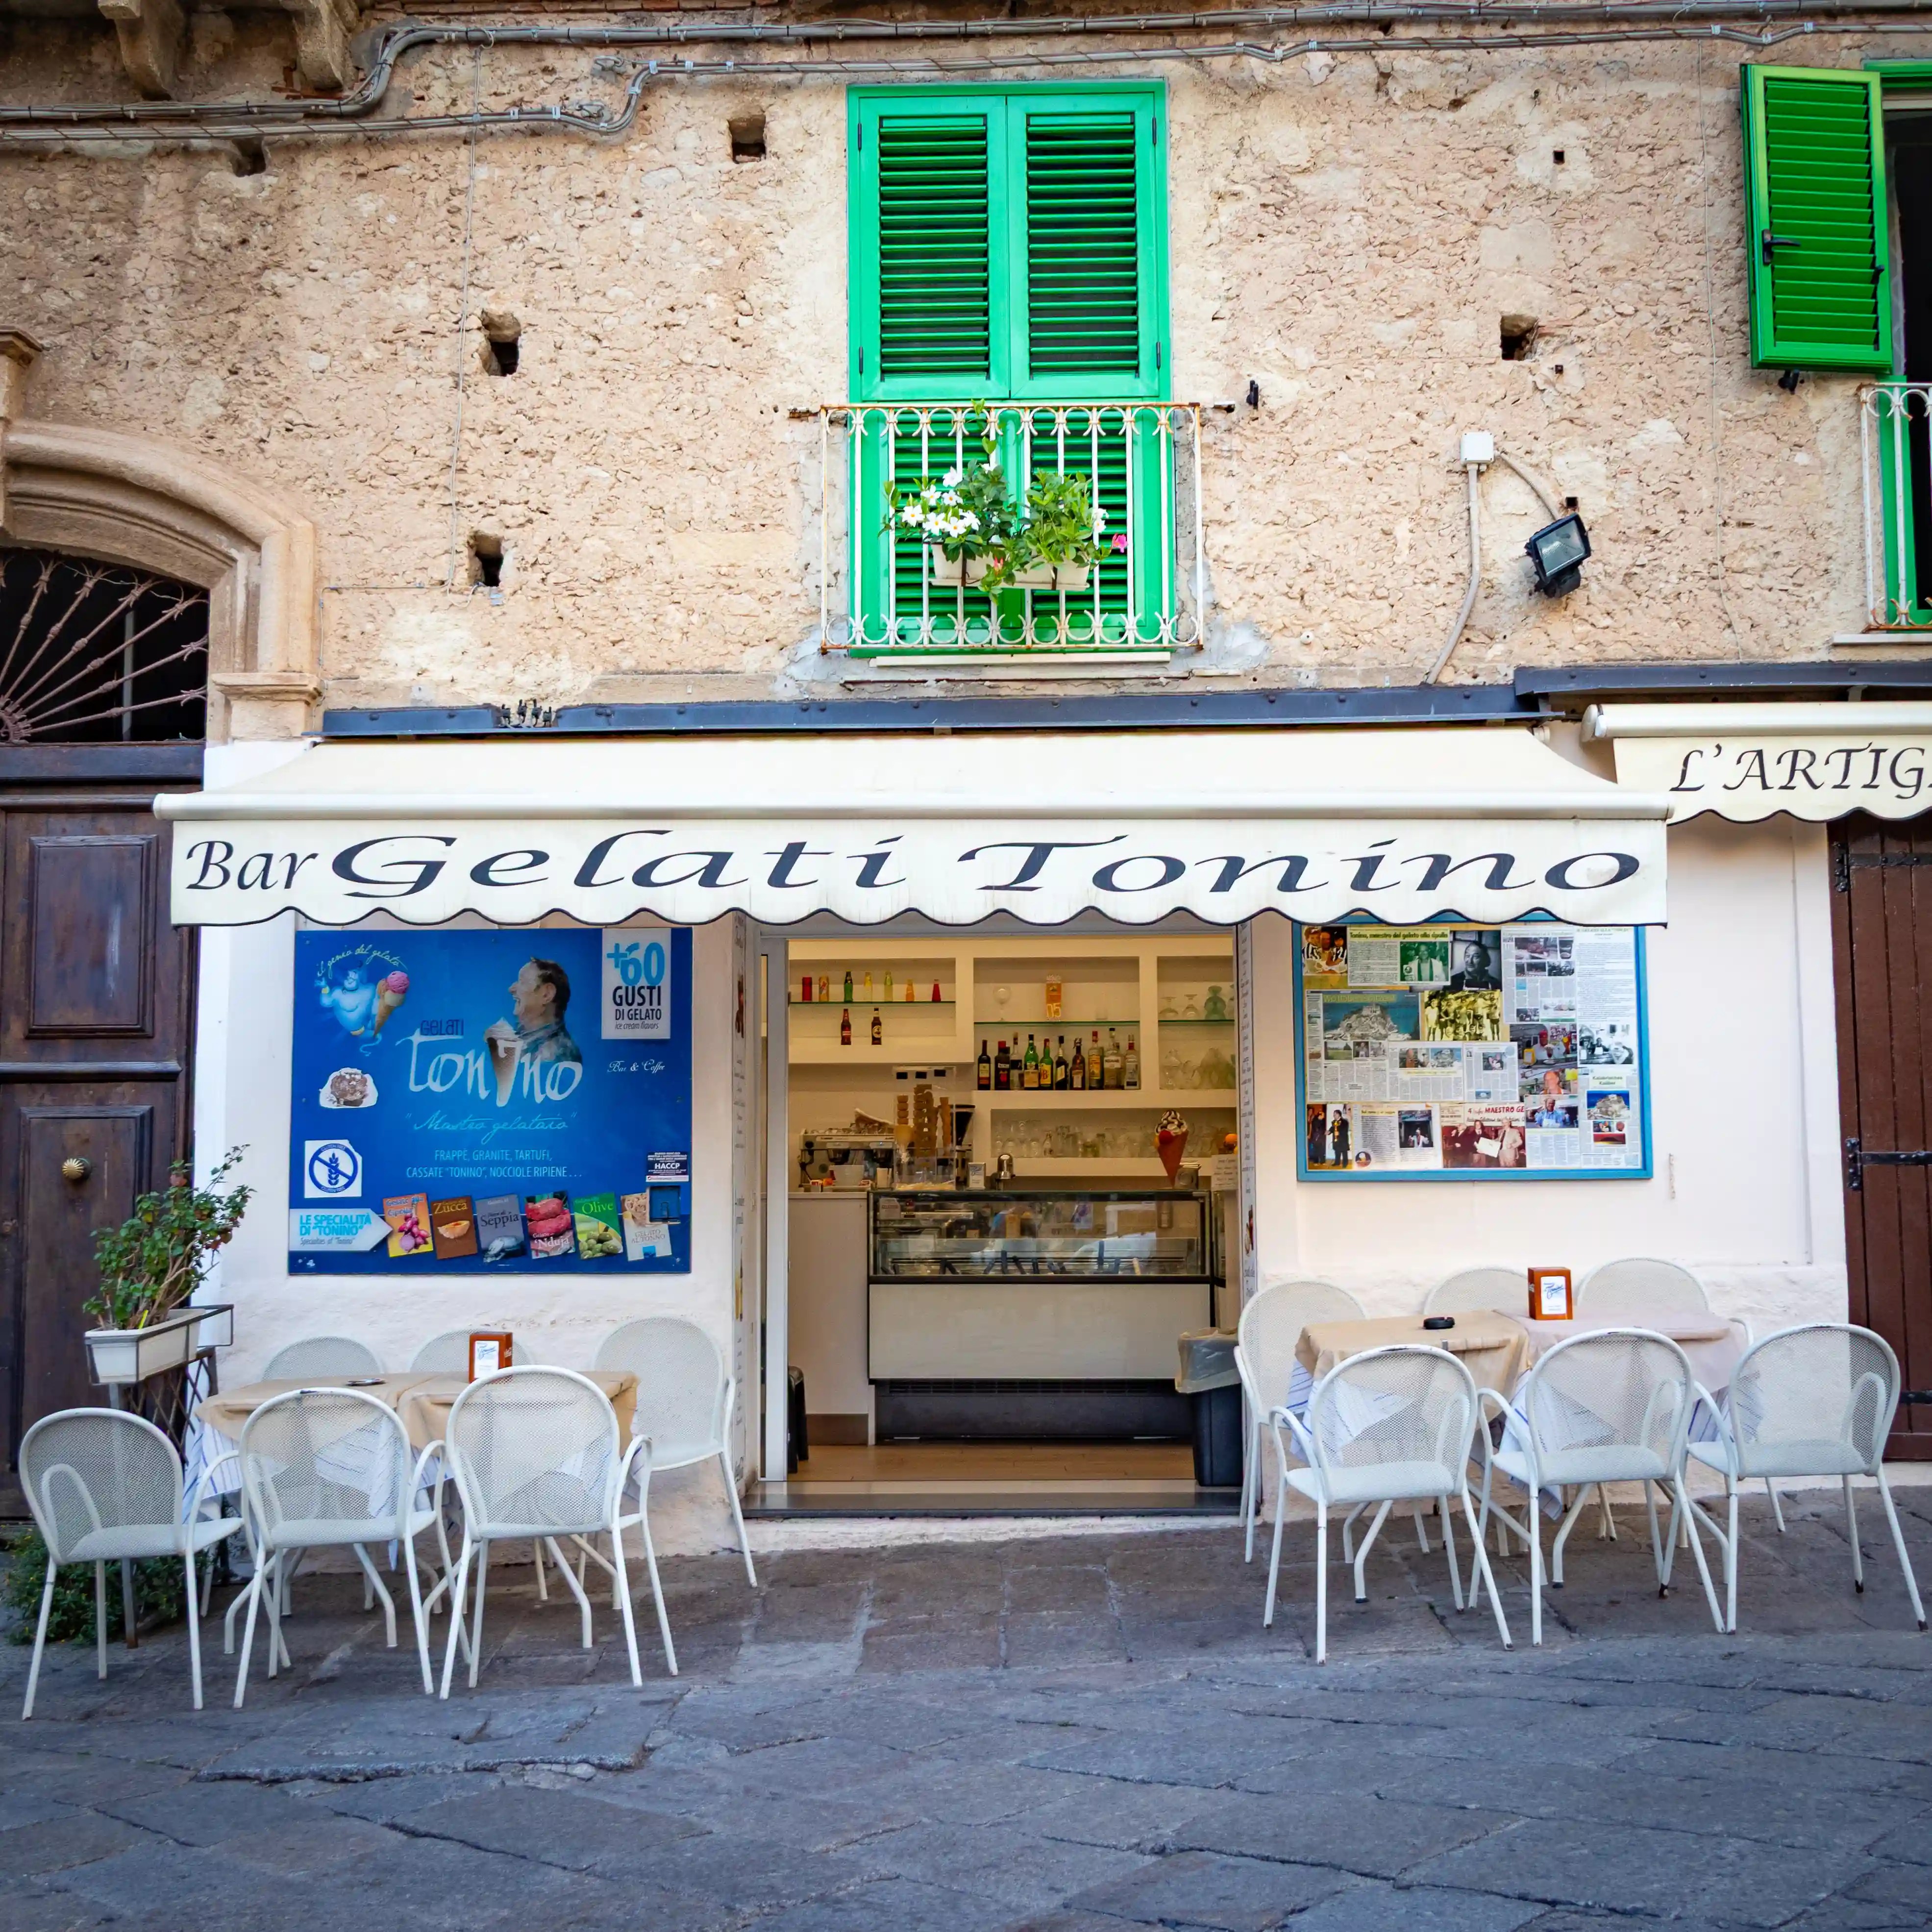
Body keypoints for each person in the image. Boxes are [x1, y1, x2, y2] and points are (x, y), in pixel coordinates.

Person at [507, 957, 582, 1065]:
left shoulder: (557, 1054)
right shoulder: (527, 1043)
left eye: (522, 982)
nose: (511, 989)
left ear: (547, 994)